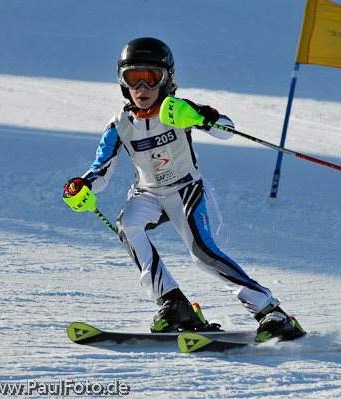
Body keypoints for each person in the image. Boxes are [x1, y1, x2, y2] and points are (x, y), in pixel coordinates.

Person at [63, 37, 305, 342]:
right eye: (132, 78)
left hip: (184, 190)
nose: (142, 88)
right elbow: (101, 167)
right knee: (128, 224)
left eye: (151, 78)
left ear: (167, 79)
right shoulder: (120, 124)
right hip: (148, 193)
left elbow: (227, 130)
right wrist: (82, 186)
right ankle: (172, 303)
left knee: (202, 254)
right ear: (122, 82)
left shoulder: (175, 110)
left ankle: (270, 311)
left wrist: (203, 116)